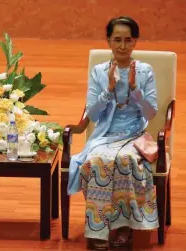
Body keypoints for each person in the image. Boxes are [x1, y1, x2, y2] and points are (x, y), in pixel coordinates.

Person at [67, 16, 159, 250]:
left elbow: (152, 112)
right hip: (106, 135)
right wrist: (108, 90)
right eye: (117, 39)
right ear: (108, 41)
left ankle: (124, 228)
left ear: (135, 42)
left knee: (126, 160)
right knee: (96, 161)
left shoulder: (145, 71)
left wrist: (135, 89)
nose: (122, 46)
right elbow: (94, 115)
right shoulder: (99, 71)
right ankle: (99, 228)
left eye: (128, 40)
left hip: (135, 134)